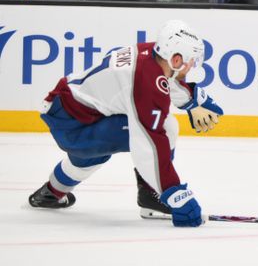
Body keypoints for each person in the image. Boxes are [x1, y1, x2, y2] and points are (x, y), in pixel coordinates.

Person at [28, 19, 223, 229]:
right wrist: (175, 194)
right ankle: (152, 196)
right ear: (175, 59)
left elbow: (165, 80)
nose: (192, 66)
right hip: (75, 128)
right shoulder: (146, 83)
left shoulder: (150, 53)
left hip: (70, 114)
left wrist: (193, 102)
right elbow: (149, 147)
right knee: (163, 129)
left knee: (89, 156)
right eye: (191, 61)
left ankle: (51, 192)